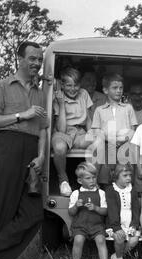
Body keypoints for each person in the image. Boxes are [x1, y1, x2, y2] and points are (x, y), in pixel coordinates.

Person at [0, 41, 48, 259]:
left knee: (34, 214)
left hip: (31, 152)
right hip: (7, 148)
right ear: (19, 58)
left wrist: (41, 156)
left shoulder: (41, 92)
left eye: (40, 60)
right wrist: (22, 115)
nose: (37, 63)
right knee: (2, 212)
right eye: (32, 58)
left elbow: (43, 129)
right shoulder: (1, 86)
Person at [52, 67, 95, 196]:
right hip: (63, 132)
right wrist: (61, 104)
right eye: (69, 85)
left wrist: (92, 132)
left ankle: (92, 180)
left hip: (79, 132)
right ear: (62, 85)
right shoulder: (58, 97)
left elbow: (87, 118)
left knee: (98, 141)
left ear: (80, 84)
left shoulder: (84, 94)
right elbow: (61, 129)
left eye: (75, 85)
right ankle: (63, 180)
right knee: (59, 148)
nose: (73, 88)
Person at [91, 73, 138, 185]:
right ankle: (98, 185)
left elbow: (133, 130)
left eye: (121, 88)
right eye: (115, 88)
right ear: (106, 90)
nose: (119, 91)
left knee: (125, 172)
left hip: (125, 144)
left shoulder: (128, 108)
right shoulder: (99, 110)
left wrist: (122, 139)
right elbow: (96, 131)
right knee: (105, 173)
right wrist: (111, 139)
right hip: (107, 145)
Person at [68, 162, 108, 259]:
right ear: (80, 181)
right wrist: (76, 206)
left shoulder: (101, 193)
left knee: (101, 240)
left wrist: (95, 208)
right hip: (80, 225)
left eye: (94, 177)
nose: (92, 180)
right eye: (88, 178)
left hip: (96, 225)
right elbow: (70, 212)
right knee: (78, 240)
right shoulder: (76, 193)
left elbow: (105, 211)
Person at [105, 163, 140, 259]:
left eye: (130, 175)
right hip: (115, 223)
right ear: (116, 176)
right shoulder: (111, 190)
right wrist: (116, 228)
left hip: (129, 223)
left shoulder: (132, 190)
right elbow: (112, 211)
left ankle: (116, 256)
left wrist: (134, 225)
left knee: (134, 240)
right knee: (119, 238)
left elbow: (136, 209)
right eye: (125, 175)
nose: (129, 178)